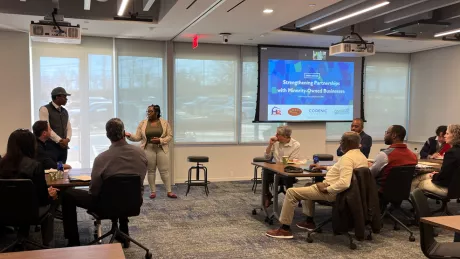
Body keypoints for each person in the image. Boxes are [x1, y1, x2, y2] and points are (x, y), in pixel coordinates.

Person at [62, 118, 148, 247]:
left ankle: (73, 241)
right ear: (124, 133)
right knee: (123, 190)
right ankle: (124, 233)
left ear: (107, 135)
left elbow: (94, 190)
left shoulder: (101, 159)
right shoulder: (141, 153)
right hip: (134, 202)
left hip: (105, 205)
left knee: (68, 194)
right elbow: (139, 180)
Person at [265, 131, 368, 239]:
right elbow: (341, 169)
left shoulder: (347, 158)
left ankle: (284, 229)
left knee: (291, 192)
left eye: (341, 141)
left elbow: (344, 183)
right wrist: (323, 168)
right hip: (349, 194)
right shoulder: (360, 156)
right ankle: (309, 221)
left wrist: (328, 189)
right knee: (308, 185)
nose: (340, 144)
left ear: (348, 143)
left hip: (335, 193)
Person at [0, 129, 58, 246]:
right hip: (30, 212)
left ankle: (21, 237)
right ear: (31, 145)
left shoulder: (1, 164)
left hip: (3, 212)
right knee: (52, 202)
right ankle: (48, 244)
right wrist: (50, 194)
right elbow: (42, 199)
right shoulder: (35, 166)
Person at [125, 104, 176, 199]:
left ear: (157, 112)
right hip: (148, 148)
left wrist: (160, 140)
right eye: (147, 111)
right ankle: (153, 192)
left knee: (164, 171)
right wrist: (129, 135)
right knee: (151, 171)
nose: (148, 113)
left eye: (150, 111)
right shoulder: (143, 123)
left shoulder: (165, 123)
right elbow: (138, 137)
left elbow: (170, 136)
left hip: (161, 148)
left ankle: (169, 191)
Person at [412, 124, 460, 197]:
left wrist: (434, 176)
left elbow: (444, 176)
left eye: (447, 133)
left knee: (418, 181)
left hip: (450, 189)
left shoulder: (451, 152)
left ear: (454, 136)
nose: (445, 136)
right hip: (456, 186)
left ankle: (416, 204)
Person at [369, 125, 418, 192]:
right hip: (402, 191)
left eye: (387, 132)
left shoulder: (384, 155)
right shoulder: (413, 156)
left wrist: (370, 166)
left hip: (381, 191)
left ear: (394, 135)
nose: (385, 135)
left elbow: (370, 174)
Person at [263, 126, 300, 208]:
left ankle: (289, 197)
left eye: (278, 134)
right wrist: (270, 145)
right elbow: (267, 158)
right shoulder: (275, 142)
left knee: (287, 173)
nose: (276, 135)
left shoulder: (295, 145)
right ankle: (267, 195)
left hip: (287, 170)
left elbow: (292, 161)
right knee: (265, 171)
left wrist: (283, 164)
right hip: (275, 170)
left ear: (285, 136)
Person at [39, 87, 72, 164]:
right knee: (52, 170)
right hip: (51, 147)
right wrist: (60, 140)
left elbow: (69, 127)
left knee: (62, 170)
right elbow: (47, 128)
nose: (66, 99)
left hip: (63, 147)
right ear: (57, 97)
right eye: (64, 97)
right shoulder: (45, 109)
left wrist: (67, 139)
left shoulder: (65, 111)